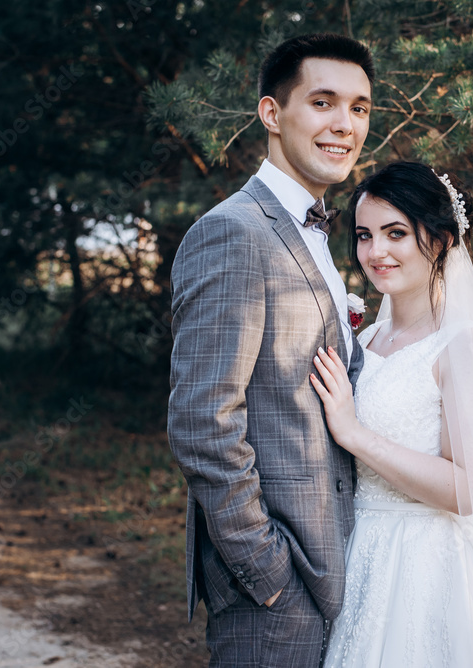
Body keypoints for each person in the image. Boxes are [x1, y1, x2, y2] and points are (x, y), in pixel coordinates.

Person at [310, 161, 473, 667]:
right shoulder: (363, 341)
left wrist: (353, 432)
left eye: (396, 234)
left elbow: (468, 489)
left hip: (429, 566)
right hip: (355, 558)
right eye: (364, 236)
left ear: (443, 240)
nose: (375, 252)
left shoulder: (465, 349)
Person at [167, 33, 373, 667]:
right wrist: (267, 570)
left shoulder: (314, 233)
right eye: (323, 102)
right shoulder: (233, 233)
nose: (345, 124)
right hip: (276, 593)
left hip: (342, 568)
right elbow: (204, 422)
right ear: (272, 114)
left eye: (361, 108)